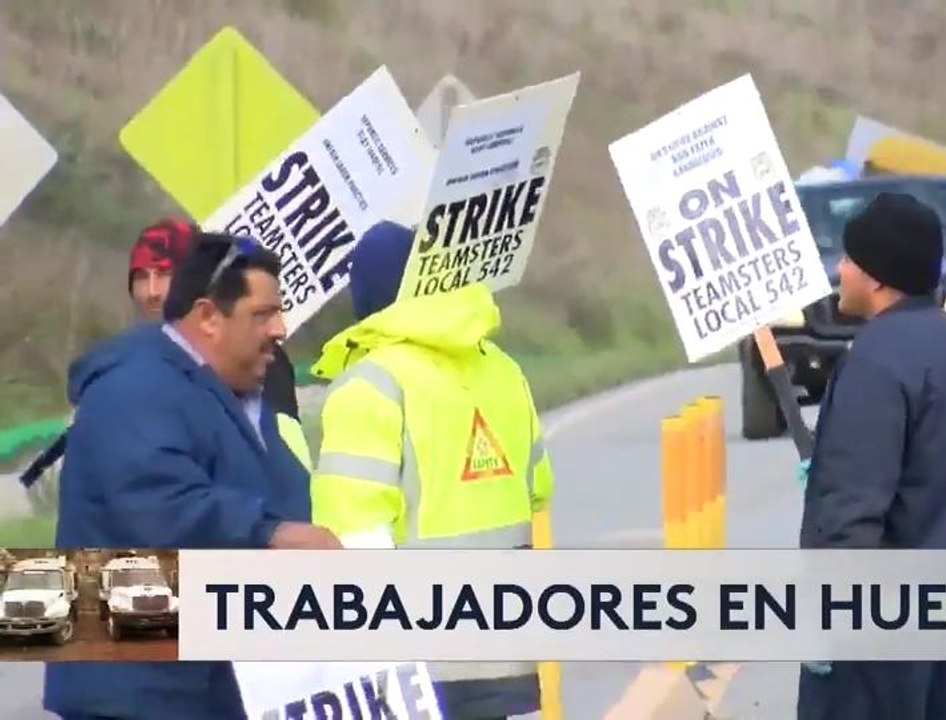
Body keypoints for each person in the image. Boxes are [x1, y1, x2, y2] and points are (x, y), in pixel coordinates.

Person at [45, 232, 341, 720]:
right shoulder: (133, 388)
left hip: (210, 687)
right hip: (137, 696)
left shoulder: (241, 393)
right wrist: (269, 532)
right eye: (262, 314)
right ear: (207, 317)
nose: (280, 328)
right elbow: (156, 503)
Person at [308, 220, 554, 720]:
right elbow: (538, 490)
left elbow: (350, 539)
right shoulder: (504, 371)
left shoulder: (369, 386)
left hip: (421, 667)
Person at [795, 192, 946, 720]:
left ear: (876, 277)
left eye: (850, 260)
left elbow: (853, 507)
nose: (841, 270)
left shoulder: (876, 361)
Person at [19, 218, 310, 491]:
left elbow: (289, 473)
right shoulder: (120, 369)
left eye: (164, 274)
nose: (151, 292)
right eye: (141, 276)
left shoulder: (258, 360)